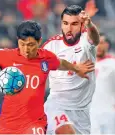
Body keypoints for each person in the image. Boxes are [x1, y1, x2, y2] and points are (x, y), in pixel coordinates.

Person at [42, 5, 100, 134]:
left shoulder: (86, 41)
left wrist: (90, 24)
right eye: (65, 23)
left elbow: (95, 39)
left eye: (74, 24)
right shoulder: (51, 46)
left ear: (81, 26)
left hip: (81, 112)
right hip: (57, 105)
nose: (69, 28)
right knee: (66, 132)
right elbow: (38, 69)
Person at [90, 33, 115, 134]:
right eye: (96, 43)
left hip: (111, 112)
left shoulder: (114, 62)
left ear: (107, 45)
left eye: (101, 43)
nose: (99, 46)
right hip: (92, 114)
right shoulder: (87, 63)